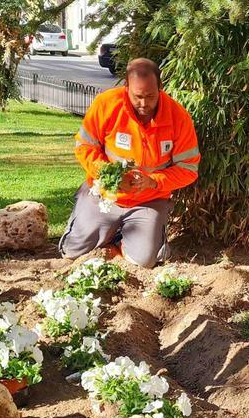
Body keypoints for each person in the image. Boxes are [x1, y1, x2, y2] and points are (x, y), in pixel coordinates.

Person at [62, 58, 200, 267]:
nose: (144, 104)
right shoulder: (106, 104)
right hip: (105, 194)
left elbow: (188, 169)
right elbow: (84, 147)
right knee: (71, 252)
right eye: (138, 97)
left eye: (150, 96)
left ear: (160, 87)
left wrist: (153, 181)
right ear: (126, 87)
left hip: (149, 200)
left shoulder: (178, 117)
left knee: (143, 261)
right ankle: (105, 229)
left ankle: (119, 240)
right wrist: (110, 176)